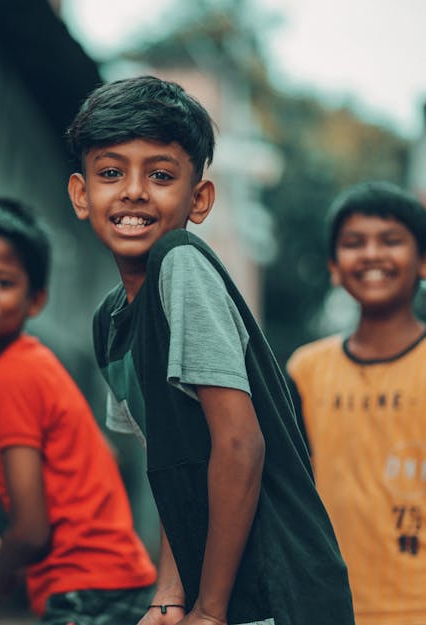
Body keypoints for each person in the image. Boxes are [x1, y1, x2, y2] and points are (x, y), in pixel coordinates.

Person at [66, 75, 355, 625]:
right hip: (227, 595)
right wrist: (170, 598)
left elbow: (241, 445)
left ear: (198, 200)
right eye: (110, 172)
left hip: (280, 591)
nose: (132, 191)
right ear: (82, 194)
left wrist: (210, 607)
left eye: (160, 174)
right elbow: (177, 473)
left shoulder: (180, 264)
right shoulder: (111, 322)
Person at [0, 197, 157, 625]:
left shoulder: (9, 376)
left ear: (35, 299)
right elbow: (102, 456)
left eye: (1, 283)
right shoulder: (31, 363)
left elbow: (33, 532)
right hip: (109, 582)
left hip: (85, 592)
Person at [287, 181, 426, 625]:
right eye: (353, 243)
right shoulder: (305, 370)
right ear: (333, 266)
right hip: (327, 607)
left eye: (391, 241)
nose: (371, 255)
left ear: (423, 260)